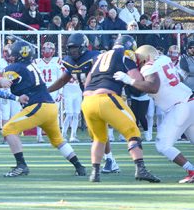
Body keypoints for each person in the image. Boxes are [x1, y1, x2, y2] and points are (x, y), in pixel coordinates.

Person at [1, 41, 87, 177]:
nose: (10, 56)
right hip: (50, 106)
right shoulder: (31, 65)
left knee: (8, 129)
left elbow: (0, 83)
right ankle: (79, 166)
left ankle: (21, 165)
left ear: (17, 54)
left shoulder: (14, 68)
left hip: (38, 106)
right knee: (57, 140)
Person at [82, 35, 160, 183]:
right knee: (132, 131)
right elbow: (137, 80)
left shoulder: (100, 56)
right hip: (107, 98)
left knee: (99, 138)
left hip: (87, 100)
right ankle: (140, 169)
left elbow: (87, 81)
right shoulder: (126, 54)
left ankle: (95, 173)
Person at [114, 45, 194, 183]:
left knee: (163, 145)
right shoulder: (164, 59)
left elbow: (153, 87)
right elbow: (179, 78)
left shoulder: (147, 67)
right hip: (189, 100)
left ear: (145, 58)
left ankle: (191, 170)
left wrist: (129, 80)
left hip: (179, 107)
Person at [48, 33, 120, 174]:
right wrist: (47, 90)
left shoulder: (95, 57)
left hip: (101, 95)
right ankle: (110, 160)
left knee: (99, 131)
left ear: (84, 47)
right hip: (88, 98)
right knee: (95, 132)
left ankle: (111, 160)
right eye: (71, 48)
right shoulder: (70, 61)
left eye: (75, 48)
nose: (72, 51)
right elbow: (64, 79)